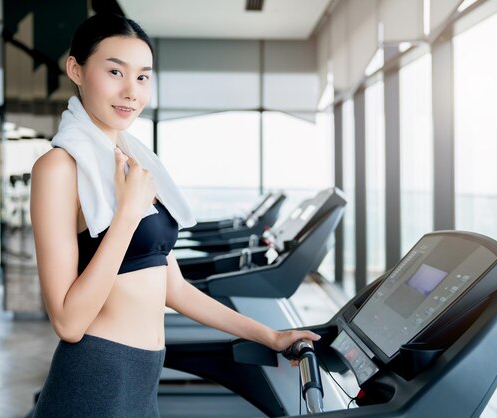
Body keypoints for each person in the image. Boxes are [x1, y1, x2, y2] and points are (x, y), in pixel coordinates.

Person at [30, 13, 319, 417]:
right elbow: (68, 322)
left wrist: (270, 335)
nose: (131, 91)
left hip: (144, 374)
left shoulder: (137, 165)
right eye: (115, 71)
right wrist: (128, 213)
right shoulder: (58, 169)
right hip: (95, 374)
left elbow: (175, 290)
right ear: (76, 69)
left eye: (143, 77)